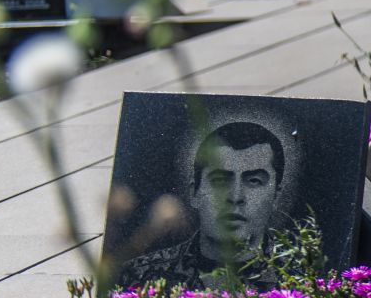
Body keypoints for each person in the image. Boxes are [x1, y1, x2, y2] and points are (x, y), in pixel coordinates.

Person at [120, 120, 289, 288]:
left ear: (276, 195)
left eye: (254, 181)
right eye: (220, 180)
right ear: (195, 192)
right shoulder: (139, 277)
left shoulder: (303, 279)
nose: (235, 197)